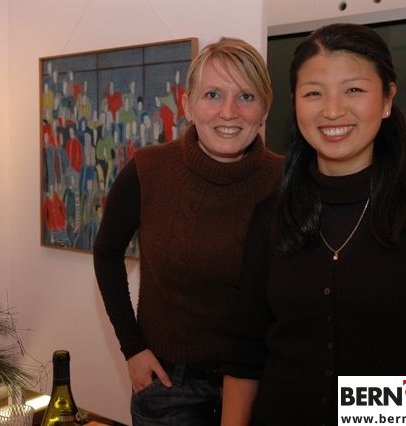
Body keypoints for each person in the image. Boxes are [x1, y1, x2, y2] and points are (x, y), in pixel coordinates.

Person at [220, 23, 406, 426]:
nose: (332, 110)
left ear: (387, 99)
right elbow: (246, 351)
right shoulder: (271, 216)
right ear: (295, 103)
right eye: (314, 93)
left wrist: (366, 411)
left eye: (354, 90)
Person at [93, 37, 284, 425]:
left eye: (246, 96)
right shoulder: (148, 170)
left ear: (265, 108)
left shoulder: (289, 180)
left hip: (265, 384)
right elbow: (107, 254)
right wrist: (133, 348)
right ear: (187, 105)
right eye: (213, 95)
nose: (228, 112)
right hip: (170, 388)